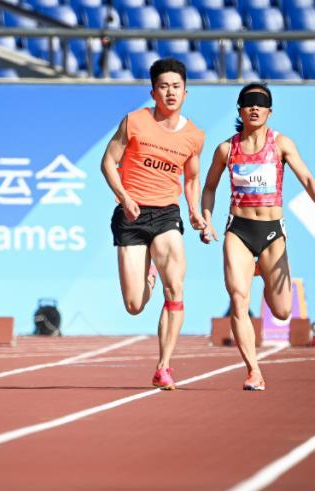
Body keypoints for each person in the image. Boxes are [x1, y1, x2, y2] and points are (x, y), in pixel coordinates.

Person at [200, 83, 315, 391]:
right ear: (240, 110)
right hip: (239, 231)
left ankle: (262, 271)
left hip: (271, 232)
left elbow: (307, 178)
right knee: (238, 299)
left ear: (269, 111)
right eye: (248, 102)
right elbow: (209, 187)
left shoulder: (281, 144)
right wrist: (207, 220)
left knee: (282, 311)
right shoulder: (226, 149)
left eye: (260, 103)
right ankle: (253, 370)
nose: (254, 107)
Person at [100, 58, 206, 390]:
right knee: (134, 305)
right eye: (163, 87)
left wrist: (194, 211)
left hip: (166, 215)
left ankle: (164, 366)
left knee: (175, 288)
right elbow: (108, 162)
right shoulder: (134, 121)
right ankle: (149, 275)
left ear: (185, 93)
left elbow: (191, 179)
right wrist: (124, 197)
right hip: (131, 215)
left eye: (176, 87)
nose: (170, 92)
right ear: (153, 92)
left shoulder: (194, 136)